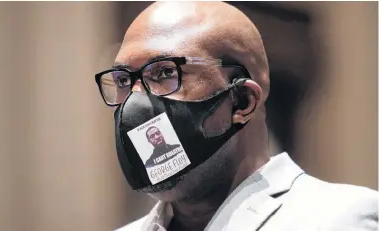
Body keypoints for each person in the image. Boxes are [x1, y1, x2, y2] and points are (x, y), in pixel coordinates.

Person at [94, 2, 378, 231]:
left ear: (242, 101)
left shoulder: (341, 219)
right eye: (122, 80)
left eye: (166, 73)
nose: (135, 104)